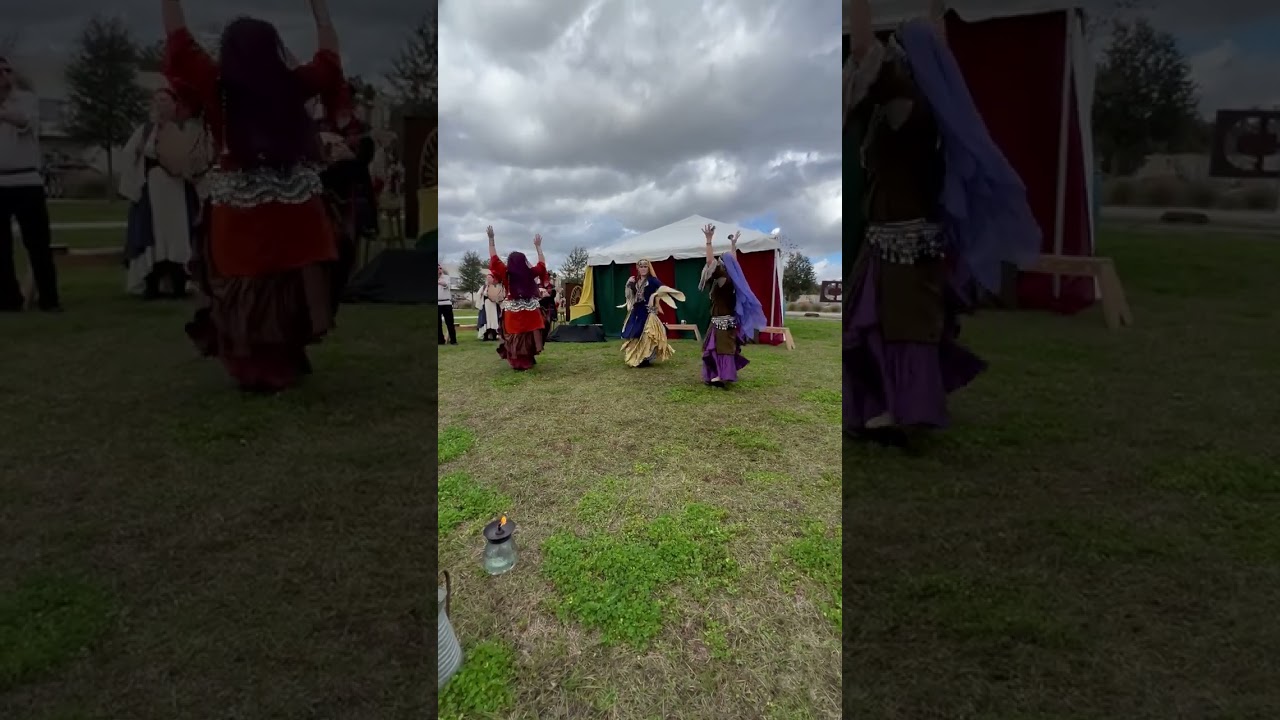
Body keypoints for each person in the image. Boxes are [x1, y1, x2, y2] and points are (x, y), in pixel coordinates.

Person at [843, 0, 1040, 445]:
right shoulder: (930, 108)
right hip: (904, 238)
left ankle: (901, 410)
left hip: (900, 241)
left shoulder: (906, 105)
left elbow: (862, 51)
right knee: (895, 323)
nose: (890, 54)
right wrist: (935, 15)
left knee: (897, 325)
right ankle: (886, 406)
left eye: (898, 48)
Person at [165, 0, 346, 393]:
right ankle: (284, 355)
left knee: (245, 282)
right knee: (288, 281)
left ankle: (256, 363)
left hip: (239, 204)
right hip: (295, 200)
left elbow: (179, 43)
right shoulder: (292, 84)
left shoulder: (217, 85)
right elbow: (329, 61)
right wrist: (320, 12)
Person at [119, 87, 208, 299]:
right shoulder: (146, 130)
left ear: (175, 104)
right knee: (155, 235)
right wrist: (139, 155)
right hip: (154, 188)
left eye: (165, 100)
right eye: (157, 100)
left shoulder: (185, 128)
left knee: (179, 235)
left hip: (178, 189)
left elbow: (196, 158)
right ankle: (152, 285)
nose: (161, 104)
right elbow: (129, 154)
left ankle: (178, 284)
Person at [0, 55, 61, 313]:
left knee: (38, 244)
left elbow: (24, 121)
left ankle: (49, 299)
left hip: (26, 180)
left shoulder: (26, 99)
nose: (4, 76)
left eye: (7, 71)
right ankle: (8, 299)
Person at [699, 224, 767, 388]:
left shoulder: (723, 279)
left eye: (721, 261)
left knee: (722, 348)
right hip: (724, 321)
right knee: (722, 348)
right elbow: (733, 262)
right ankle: (717, 374)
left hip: (722, 321)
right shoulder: (733, 279)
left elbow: (710, 262)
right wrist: (733, 245)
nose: (718, 262)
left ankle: (722, 376)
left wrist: (708, 240)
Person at [487, 225, 549, 370]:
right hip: (531, 309)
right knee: (529, 334)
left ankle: (518, 361)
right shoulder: (530, 273)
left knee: (515, 335)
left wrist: (491, 239)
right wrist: (538, 247)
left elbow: (494, 258)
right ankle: (528, 358)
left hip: (513, 311)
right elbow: (542, 265)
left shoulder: (506, 273)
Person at [620, 258, 685, 368]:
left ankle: (645, 357)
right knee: (635, 333)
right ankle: (637, 356)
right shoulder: (635, 281)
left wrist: (653, 296)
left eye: (645, 266)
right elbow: (630, 296)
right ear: (638, 268)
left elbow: (662, 289)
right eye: (641, 267)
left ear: (648, 268)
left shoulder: (653, 280)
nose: (643, 269)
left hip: (647, 312)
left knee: (647, 334)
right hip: (636, 311)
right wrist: (628, 284)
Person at [475, 271, 503, 341]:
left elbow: (500, 295)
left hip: (494, 305)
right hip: (486, 305)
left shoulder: (496, 286)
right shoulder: (484, 287)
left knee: (494, 320)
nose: (488, 279)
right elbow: (478, 294)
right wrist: (482, 295)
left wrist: (496, 298)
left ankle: (494, 335)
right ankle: (486, 336)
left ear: (493, 278)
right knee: (486, 320)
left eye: (490, 277)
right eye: (487, 278)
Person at [438, 263, 456, 345]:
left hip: (446, 303)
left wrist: (440, 281)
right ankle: (440, 340)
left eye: (440, 268)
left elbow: (446, 285)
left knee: (450, 323)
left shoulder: (446, 277)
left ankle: (453, 340)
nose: (439, 270)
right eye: (438, 268)